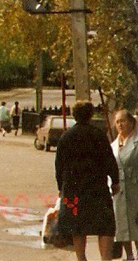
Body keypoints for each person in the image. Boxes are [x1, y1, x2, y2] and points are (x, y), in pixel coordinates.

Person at [55, 101, 119, 261]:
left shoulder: (66, 137)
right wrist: (115, 181)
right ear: (90, 115)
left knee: (78, 226)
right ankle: (105, 258)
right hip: (97, 188)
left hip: (73, 189)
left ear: (73, 115)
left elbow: (59, 165)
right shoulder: (98, 135)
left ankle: (81, 258)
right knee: (105, 225)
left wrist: (60, 187)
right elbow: (109, 160)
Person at [112, 110, 138, 260]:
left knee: (136, 222)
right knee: (122, 224)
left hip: (135, 187)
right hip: (119, 189)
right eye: (117, 122)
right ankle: (129, 255)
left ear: (132, 123)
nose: (120, 124)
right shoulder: (114, 144)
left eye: (123, 121)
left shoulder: (136, 141)